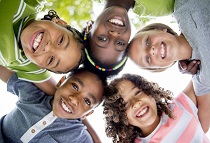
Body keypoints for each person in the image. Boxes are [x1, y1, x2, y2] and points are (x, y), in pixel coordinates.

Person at [0, 65, 107, 143]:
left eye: (87, 101)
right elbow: (5, 71)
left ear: (87, 114)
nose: (74, 99)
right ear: (60, 82)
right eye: (75, 86)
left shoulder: (79, 138)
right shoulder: (34, 94)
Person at [0, 0, 84, 96]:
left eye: (51, 60)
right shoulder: (30, 3)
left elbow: (58, 95)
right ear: (59, 22)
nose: (48, 47)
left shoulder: (23, 62)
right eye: (61, 40)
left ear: (40, 66)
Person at [103, 73, 210, 143]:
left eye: (138, 92)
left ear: (149, 92)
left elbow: (203, 70)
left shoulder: (180, 105)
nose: (135, 103)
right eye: (124, 105)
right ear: (120, 118)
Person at [83, 0, 174, 77]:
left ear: (89, 27)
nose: (114, 33)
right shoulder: (163, 6)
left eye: (102, 39)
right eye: (120, 43)